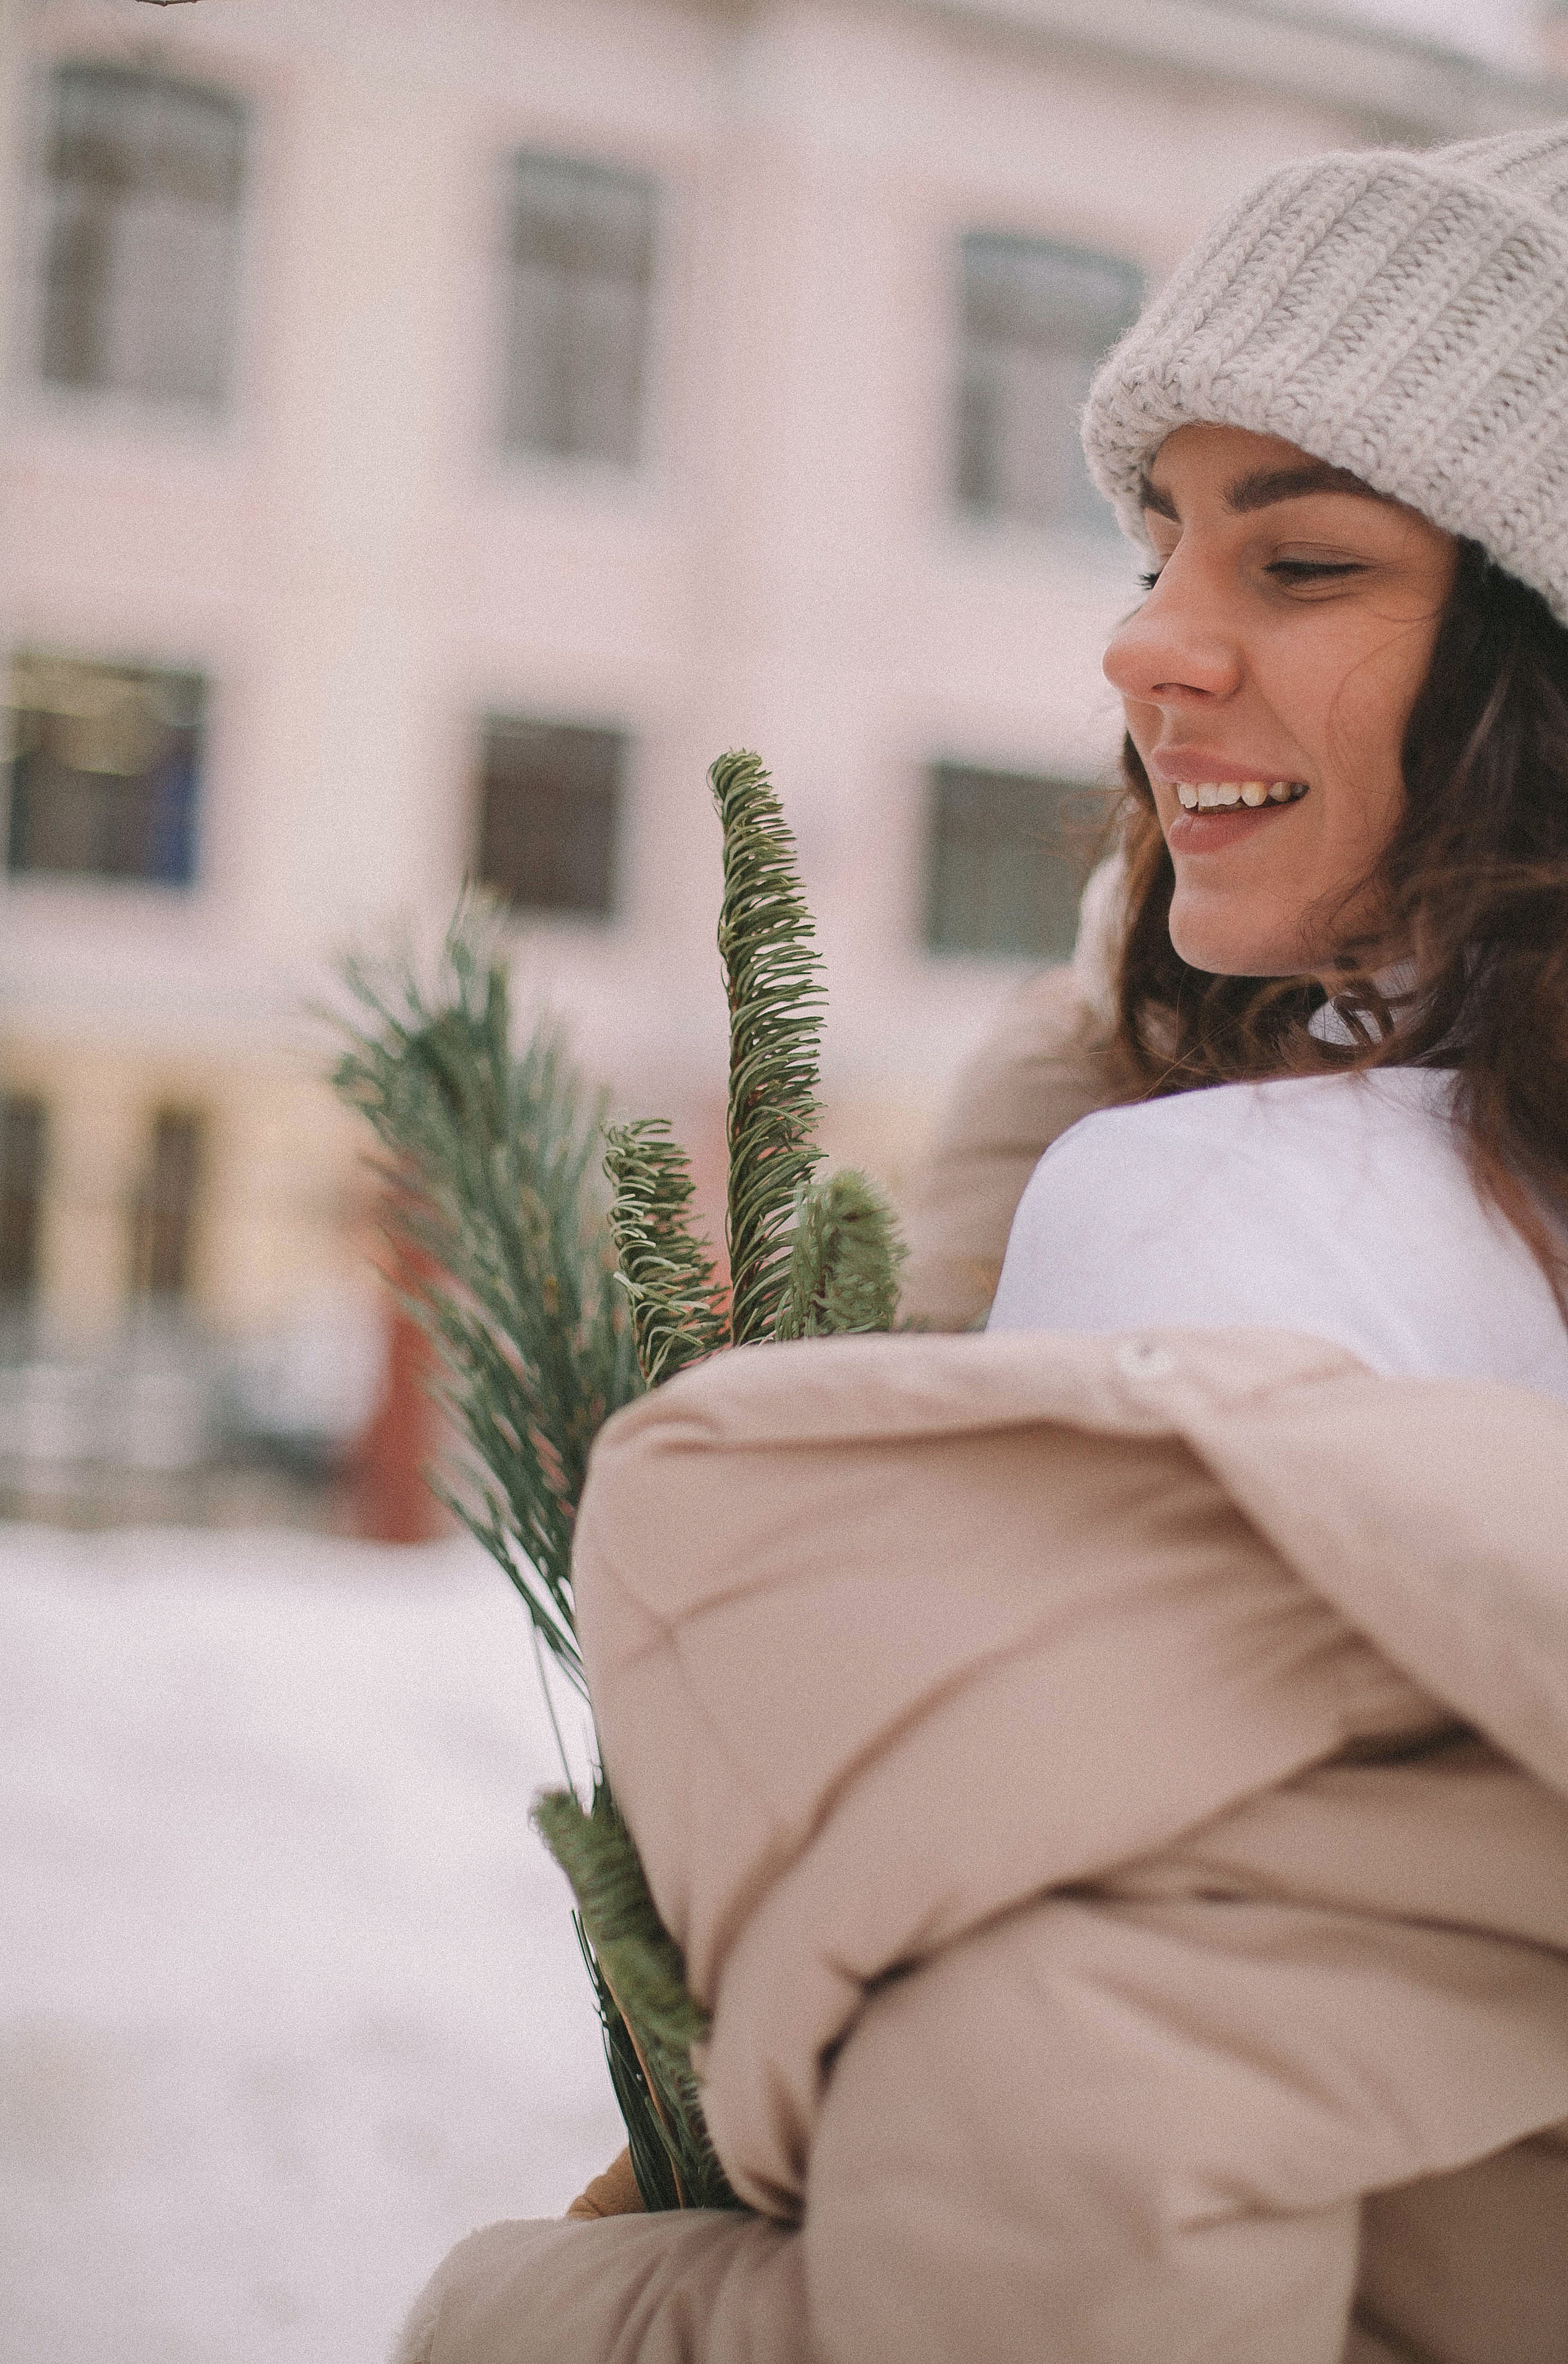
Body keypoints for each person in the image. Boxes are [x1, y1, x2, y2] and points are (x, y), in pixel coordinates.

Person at [397, 127, 1568, 2364]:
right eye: (1156, 546)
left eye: (1304, 562)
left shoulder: (1226, 1205)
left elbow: (1054, 2172)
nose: (1147, 642)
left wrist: (543, 2316)